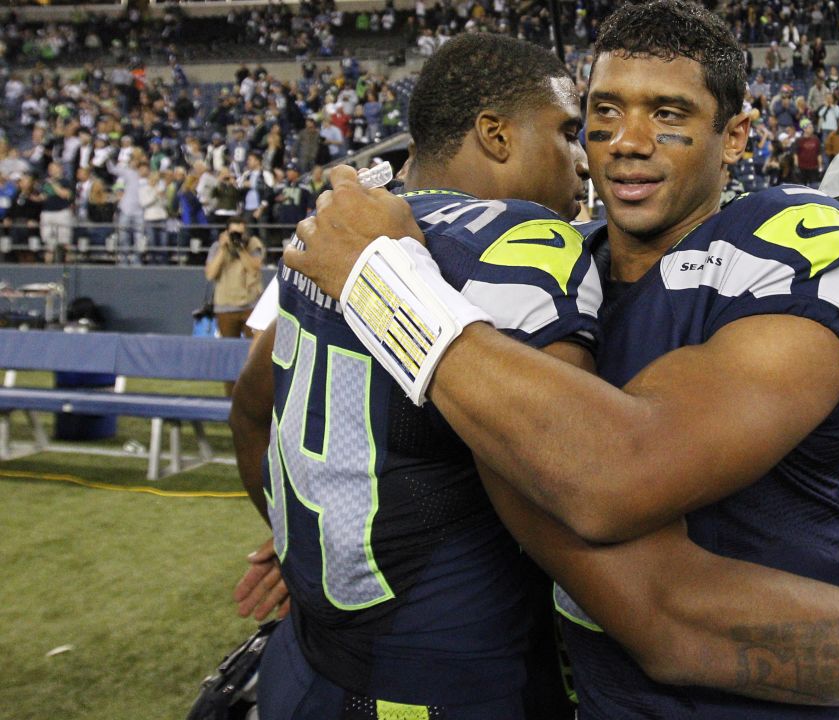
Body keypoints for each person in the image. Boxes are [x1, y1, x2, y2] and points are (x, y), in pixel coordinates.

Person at [281, 2, 839, 718]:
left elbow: (616, 474)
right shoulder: (559, 260)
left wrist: (380, 278)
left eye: (669, 115)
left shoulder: (792, 241)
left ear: (735, 139)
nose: (628, 139)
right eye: (604, 112)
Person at [231, 34, 593, 720]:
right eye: (568, 131)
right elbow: (574, 469)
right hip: (453, 681)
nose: (583, 162)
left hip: (305, 666)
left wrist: (305, 542)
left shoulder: (326, 233)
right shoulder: (520, 237)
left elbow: (250, 408)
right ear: (495, 134)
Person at [204, 215, 263, 346]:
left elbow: (254, 269)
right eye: (233, 233)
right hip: (225, 307)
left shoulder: (253, 244)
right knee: (228, 349)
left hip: (250, 305)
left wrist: (241, 249)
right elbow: (210, 274)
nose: (237, 236)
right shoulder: (217, 247)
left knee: (254, 348)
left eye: (240, 233)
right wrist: (223, 249)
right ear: (226, 232)